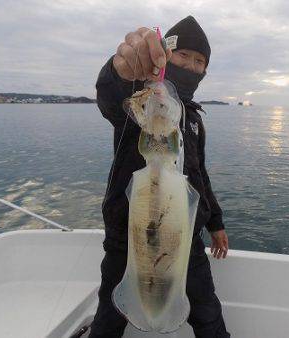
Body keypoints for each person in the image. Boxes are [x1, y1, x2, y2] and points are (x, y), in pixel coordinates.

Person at [89, 16, 230, 338]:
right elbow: (112, 96)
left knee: (207, 313)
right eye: (184, 56)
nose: (192, 66)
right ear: (166, 54)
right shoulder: (141, 101)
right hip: (129, 237)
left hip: (184, 238)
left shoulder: (192, 119)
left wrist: (215, 223)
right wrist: (123, 71)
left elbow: (199, 176)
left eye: (200, 62)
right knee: (109, 318)